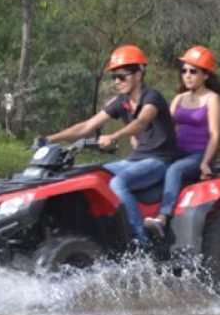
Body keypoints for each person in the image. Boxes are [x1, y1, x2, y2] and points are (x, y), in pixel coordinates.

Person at [41, 44, 177, 249]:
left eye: (122, 76)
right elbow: (87, 126)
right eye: (114, 77)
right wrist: (50, 139)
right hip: (135, 159)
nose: (117, 82)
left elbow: (141, 122)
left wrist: (114, 136)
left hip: (159, 161)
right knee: (92, 176)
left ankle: (141, 244)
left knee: (118, 183)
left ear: (138, 74)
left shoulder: (152, 97)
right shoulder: (120, 102)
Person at [143, 45, 220, 237]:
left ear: (205, 75)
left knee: (175, 170)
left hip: (199, 153)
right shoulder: (179, 99)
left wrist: (204, 162)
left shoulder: (212, 99)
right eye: (184, 71)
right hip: (177, 151)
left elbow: (215, 134)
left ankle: (163, 217)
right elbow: (166, 130)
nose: (187, 75)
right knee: (151, 166)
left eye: (193, 71)